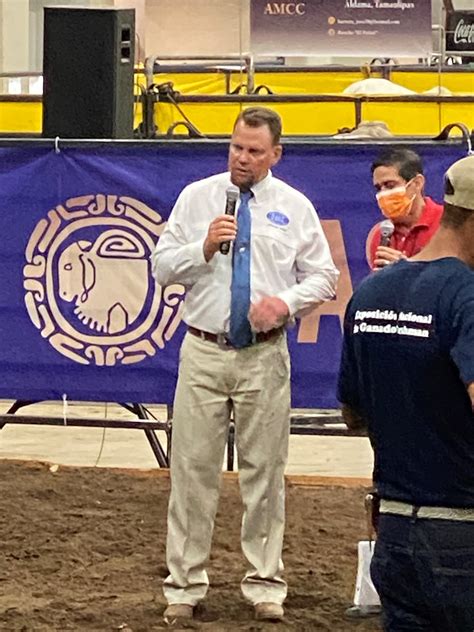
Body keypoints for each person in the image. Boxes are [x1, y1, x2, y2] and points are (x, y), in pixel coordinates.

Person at [151, 107, 338, 624]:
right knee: (190, 471)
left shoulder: (295, 207)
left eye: (255, 151)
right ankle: (184, 586)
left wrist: (286, 302)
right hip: (203, 350)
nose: (243, 159)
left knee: (265, 474)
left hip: (264, 354)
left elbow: (324, 277)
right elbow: (161, 267)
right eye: (237, 147)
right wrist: (203, 246)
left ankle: (264, 584)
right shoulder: (197, 198)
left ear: (275, 154)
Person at [338, 154, 474, 631]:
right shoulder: (467, 296)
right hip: (462, 527)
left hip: (394, 531)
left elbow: (352, 411)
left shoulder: (372, 293)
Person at [366, 148, 443, 270]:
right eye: (378, 188)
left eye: (390, 185)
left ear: (417, 183)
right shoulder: (380, 235)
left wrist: (406, 272)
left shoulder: (448, 224)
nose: (383, 194)